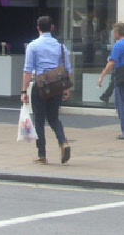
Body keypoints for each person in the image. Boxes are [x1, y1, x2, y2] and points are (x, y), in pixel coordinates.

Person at [21, 15, 72, 165]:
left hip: (40, 86)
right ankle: (63, 142)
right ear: (52, 28)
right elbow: (68, 69)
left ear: (38, 28)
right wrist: (66, 88)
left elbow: (27, 71)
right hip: (56, 85)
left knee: (39, 120)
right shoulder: (61, 46)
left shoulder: (33, 46)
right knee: (54, 118)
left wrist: (24, 92)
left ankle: (42, 154)